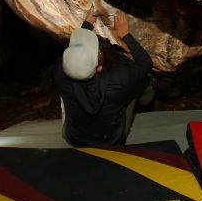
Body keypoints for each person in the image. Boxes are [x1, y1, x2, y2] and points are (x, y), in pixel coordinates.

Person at [54, 8, 152, 147]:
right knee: (143, 79)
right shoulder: (119, 79)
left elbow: (76, 57)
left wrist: (87, 26)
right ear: (99, 67)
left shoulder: (60, 74)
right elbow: (145, 63)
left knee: (68, 97)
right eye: (98, 51)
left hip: (75, 138)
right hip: (111, 141)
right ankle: (146, 92)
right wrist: (125, 34)